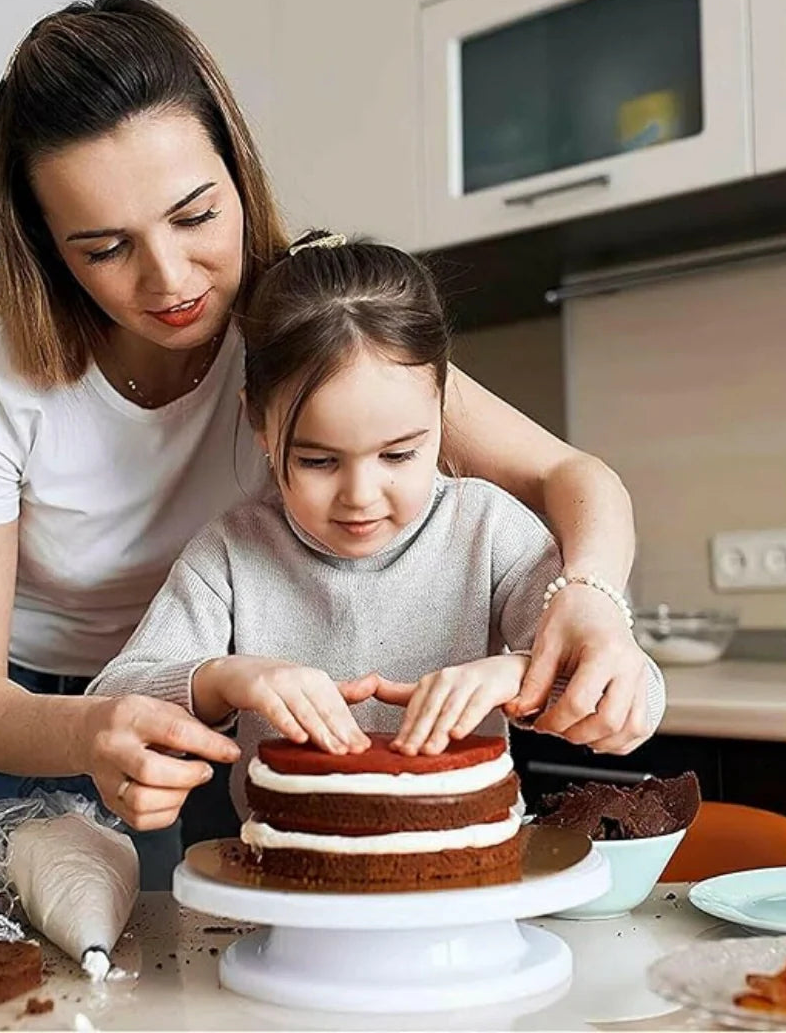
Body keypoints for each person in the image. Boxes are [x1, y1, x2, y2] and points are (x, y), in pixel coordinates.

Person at [0, 0, 650, 883]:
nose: (170, 279)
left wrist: (594, 594)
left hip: (162, 683)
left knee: (135, 975)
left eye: (195, 217)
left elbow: (569, 474)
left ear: (237, 170)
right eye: (104, 248)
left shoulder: (297, 326)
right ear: (45, 246)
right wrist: (92, 726)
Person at [85, 231, 666, 821]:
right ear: (258, 423)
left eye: (398, 456)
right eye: (318, 460)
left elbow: (639, 694)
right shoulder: (231, 554)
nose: (361, 498)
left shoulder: (487, 530)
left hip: (471, 883)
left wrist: (519, 674)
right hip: (288, 886)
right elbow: (111, 700)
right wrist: (223, 679)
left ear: (441, 409)